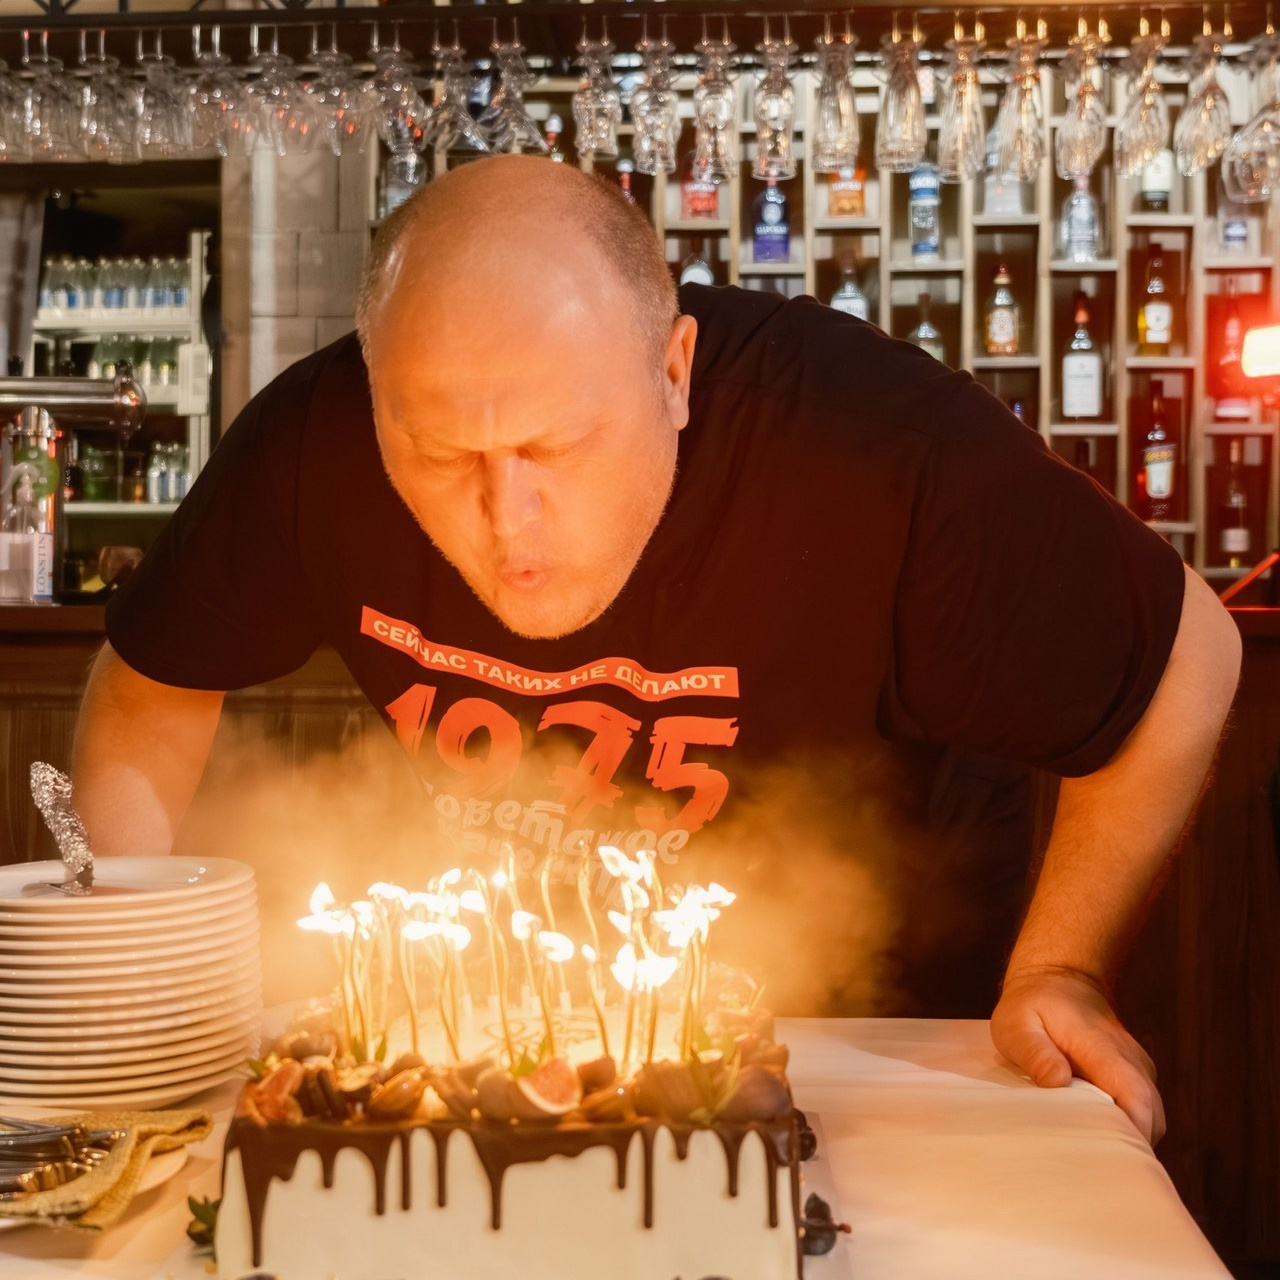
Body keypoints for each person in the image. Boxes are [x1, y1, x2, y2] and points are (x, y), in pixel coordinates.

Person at [71, 155, 1240, 1146]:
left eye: (558, 445)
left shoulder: (875, 453)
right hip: (504, 1038)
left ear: (674, 373)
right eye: (439, 454)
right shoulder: (312, 445)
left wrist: (1059, 967)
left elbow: (1188, 652)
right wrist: (114, 964)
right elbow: (152, 680)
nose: (505, 516)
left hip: (880, 1048)